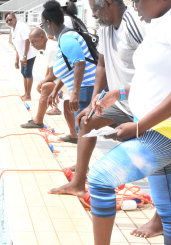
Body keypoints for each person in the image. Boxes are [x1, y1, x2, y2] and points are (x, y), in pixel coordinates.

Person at [48, 0, 154, 235]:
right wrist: (95, 99)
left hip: (146, 102)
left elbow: (156, 67)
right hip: (120, 100)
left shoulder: (138, 24)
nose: (93, 15)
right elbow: (102, 66)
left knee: (158, 158)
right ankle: (77, 183)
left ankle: (159, 218)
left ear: (109, 4)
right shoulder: (105, 30)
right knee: (87, 120)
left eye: (95, 10)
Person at [88, 1, 171, 243]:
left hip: (162, 131)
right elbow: (154, 81)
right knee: (167, 211)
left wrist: (138, 127)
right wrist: (118, 93)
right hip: (151, 127)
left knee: (100, 178)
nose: (134, 7)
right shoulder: (158, 25)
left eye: (137, 0)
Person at [41, 1, 96, 142]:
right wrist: (55, 90)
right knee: (83, 128)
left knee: (83, 130)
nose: (44, 28)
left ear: (49, 23)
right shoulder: (63, 38)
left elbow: (80, 63)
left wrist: (75, 94)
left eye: (42, 25)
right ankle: (81, 164)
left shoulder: (66, 38)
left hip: (86, 89)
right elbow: (69, 68)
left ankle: (81, 165)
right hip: (83, 89)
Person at [5, 12, 39, 101]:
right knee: (23, 73)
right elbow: (17, 45)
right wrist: (17, 59)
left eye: (10, 19)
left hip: (29, 54)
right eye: (7, 21)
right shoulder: (13, 29)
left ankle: (28, 95)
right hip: (22, 54)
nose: (9, 22)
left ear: (15, 18)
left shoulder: (21, 26)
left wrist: (24, 56)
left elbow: (27, 40)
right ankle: (26, 93)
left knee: (27, 73)